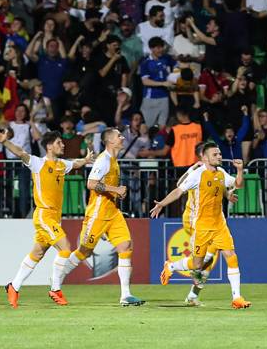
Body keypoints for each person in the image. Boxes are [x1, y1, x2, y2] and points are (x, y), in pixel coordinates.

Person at [0, 130, 94, 308]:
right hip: (44, 214)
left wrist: (86, 160)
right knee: (65, 247)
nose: (62, 145)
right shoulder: (38, 163)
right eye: (59, 143)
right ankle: (56, 288)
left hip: (54, 218)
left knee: (37, 253)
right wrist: (5, 142)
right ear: (49, 146)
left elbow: (75, 163)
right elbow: (20, 153)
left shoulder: (62, 165)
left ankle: (13, 286)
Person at [152, 142, 251, 309]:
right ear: (204, 158)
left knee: (230, 255)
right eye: (215, 154)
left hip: (220, 224)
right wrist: (162, 203)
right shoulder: (197, 174)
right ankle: (172, 266)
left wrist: (240, 170)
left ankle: (237, 298)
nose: (219, 156)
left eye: (219, 154)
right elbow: (178, 190)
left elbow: (238, 185)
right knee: (198, 264)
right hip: (201, 226)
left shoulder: (221, 173)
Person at [60, 128, 144, 306]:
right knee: (84, 251)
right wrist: (116, 189)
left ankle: (126, 295)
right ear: (110, 141)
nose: (122, 138)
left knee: (125, 246)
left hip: (112, 212)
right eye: (119, 136)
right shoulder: (104, 160)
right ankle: (55, 282)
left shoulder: (113, 160)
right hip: (98, 214)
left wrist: (117, 193)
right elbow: (91, 184)